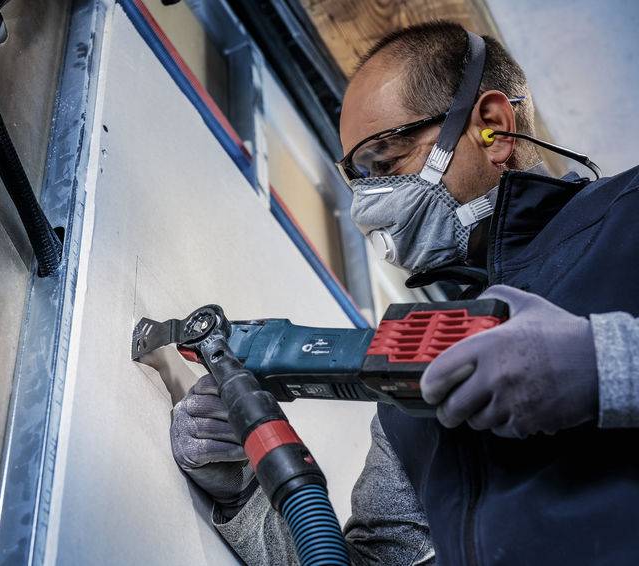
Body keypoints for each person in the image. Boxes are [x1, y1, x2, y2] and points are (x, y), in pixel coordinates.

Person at [170, 20, 639, 565]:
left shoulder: (628, 216)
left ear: (493, 127)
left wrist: (603, 364)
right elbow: (358, 561)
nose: (369, 205)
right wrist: (239, 487)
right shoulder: (413, 388)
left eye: (386, 162)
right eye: (359, 180)